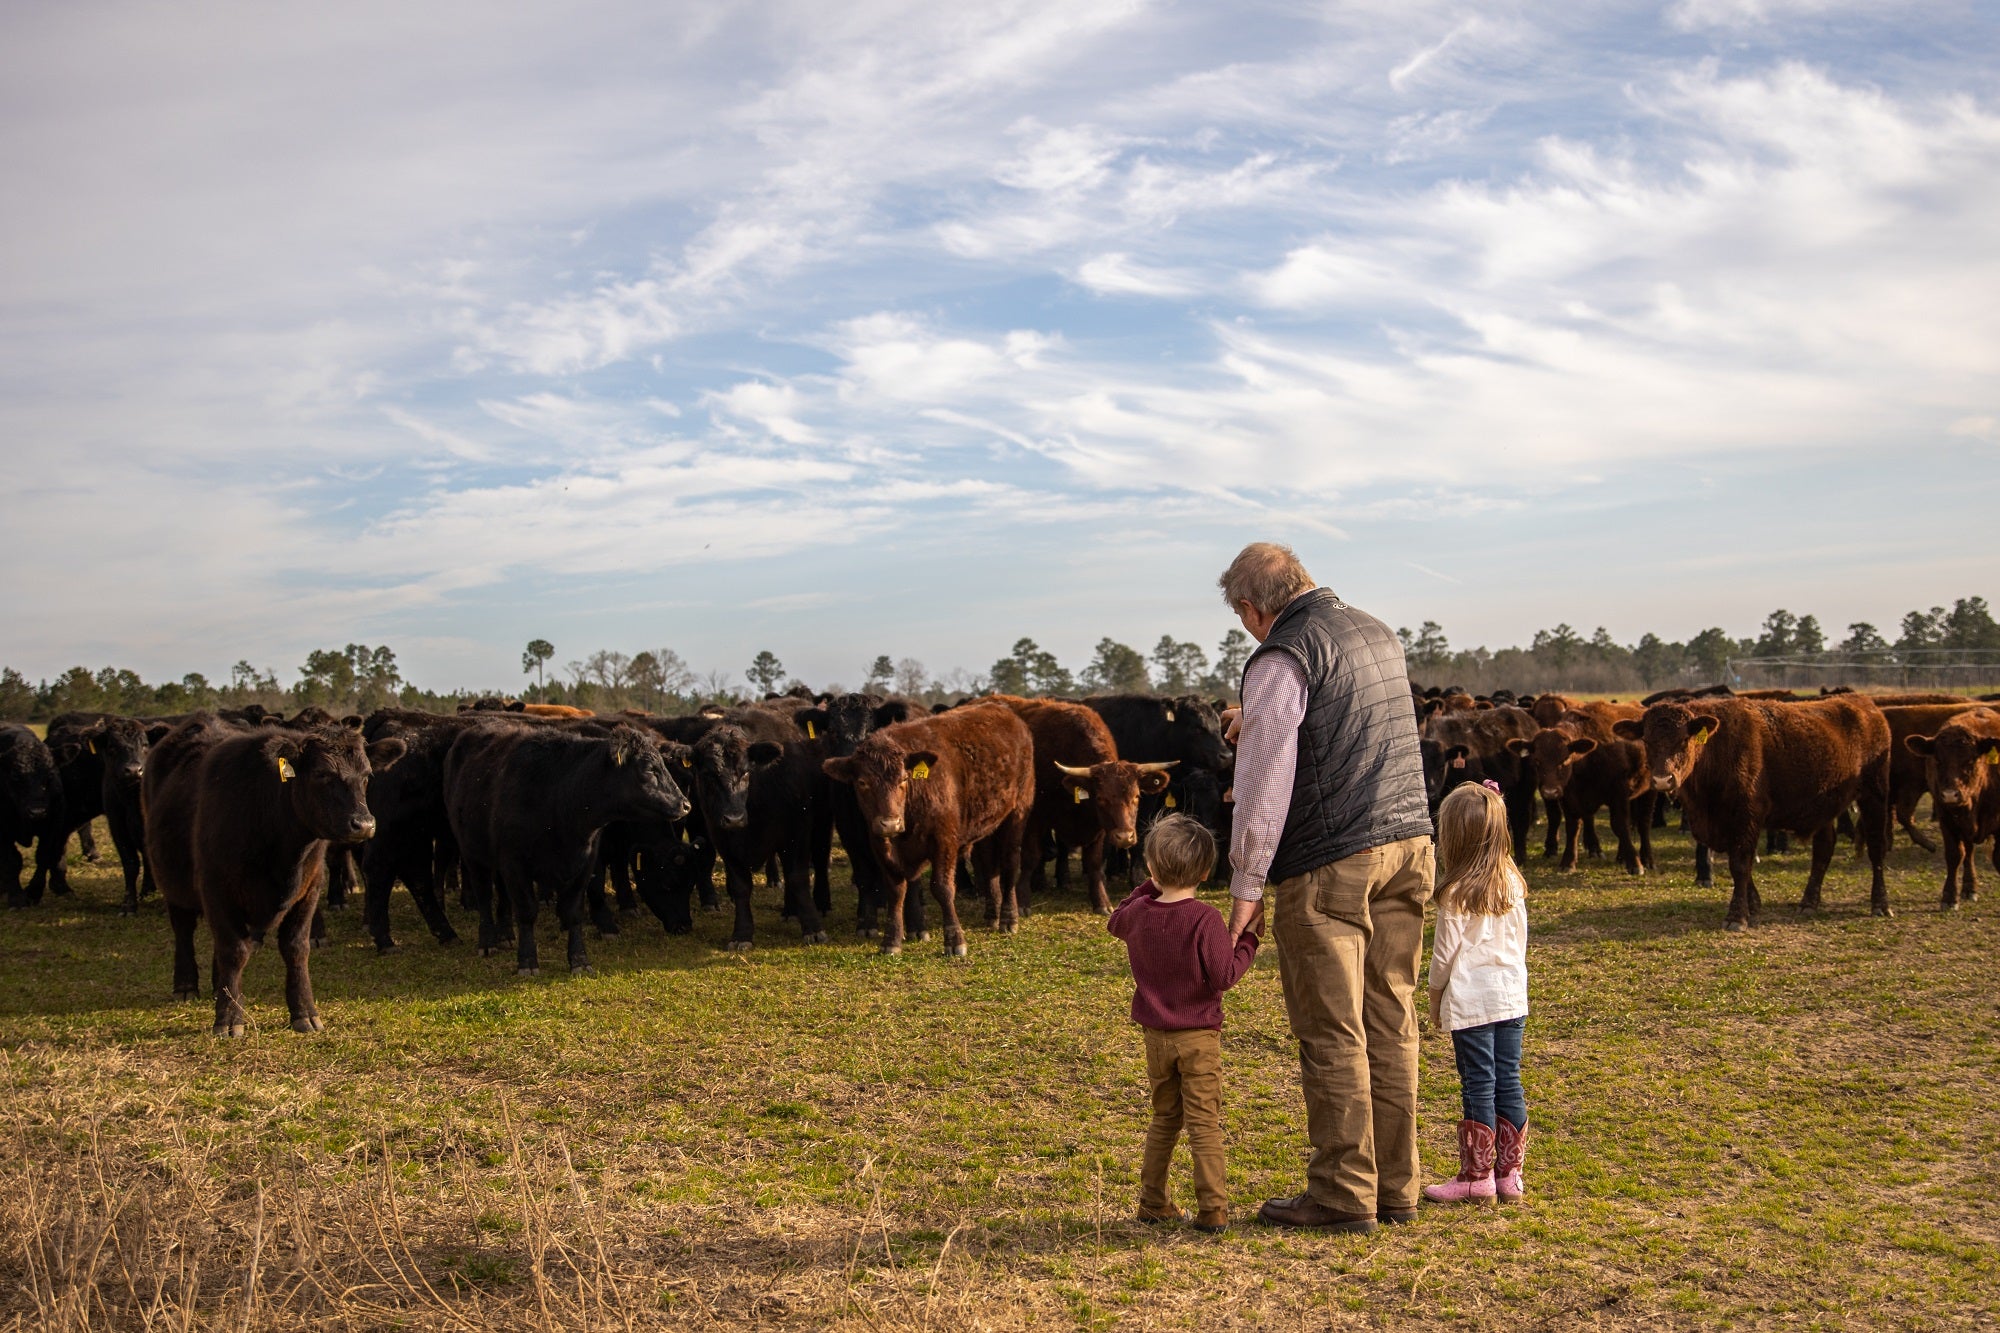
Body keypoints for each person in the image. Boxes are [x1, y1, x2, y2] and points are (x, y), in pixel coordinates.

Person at [1215, 541, 1436, 1233]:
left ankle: (1343, 1191)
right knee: (1391, 1019)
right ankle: (1397, 1185)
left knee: (1333, 1030)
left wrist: (1248, 882)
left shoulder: (1283, 653)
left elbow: (1266, 773)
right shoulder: (1377, 632)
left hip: (1331, 858)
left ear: (1253, 609)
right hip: (1408, 843)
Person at [1107, 813, 1261, 1234]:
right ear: (1207, 872)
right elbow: (1224, 975)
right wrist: (1249, 941)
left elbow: (1114, 916)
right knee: (1203, 1122)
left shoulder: (1137, 913)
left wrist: (1146, 888)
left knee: (1164, 1118)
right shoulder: (1205, 919)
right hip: (1198, 1038)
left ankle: (1152, 1200)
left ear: (1152, 869)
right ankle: (1213, 1208)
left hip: (1156, 1038)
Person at [1423, 781, 1530, 1205]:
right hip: (1510, 998)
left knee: (1478, 1084)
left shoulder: (1455, 894)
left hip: (1471, 1004)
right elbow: (1519, 943)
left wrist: (1434, 999)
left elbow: (1444, 957)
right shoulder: (1513, 882)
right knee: (1509, 1081)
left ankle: (1476, 1176)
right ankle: (1510, 1175)